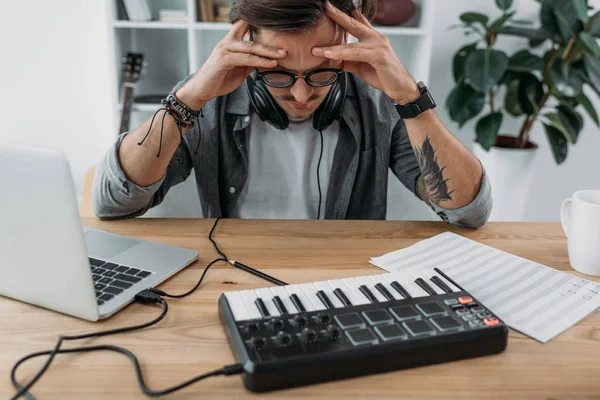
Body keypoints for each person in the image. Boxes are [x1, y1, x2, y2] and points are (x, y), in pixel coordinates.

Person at [92, 0, 492, 227]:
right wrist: (188, 98)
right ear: (249, 45)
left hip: (345, 282)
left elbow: (468, 212)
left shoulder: (381, 102)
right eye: (279, 75)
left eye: (322, 73)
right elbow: (112, 203)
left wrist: (410, 96)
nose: (302, 94)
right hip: (231, 276)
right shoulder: (204, 100)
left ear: (347, 45)